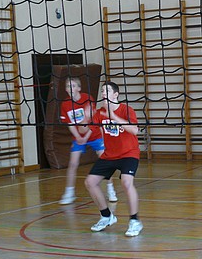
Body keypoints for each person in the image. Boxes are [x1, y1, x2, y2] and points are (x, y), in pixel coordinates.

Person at [85, 81, 143, 237]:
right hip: (109, 154)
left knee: (126, 182)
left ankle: (135, 221)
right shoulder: (99, 113)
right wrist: (86, 118)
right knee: (90, 182)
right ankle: (106, 216)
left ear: (116, 94)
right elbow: (88, 131)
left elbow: (134, 130)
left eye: (107, 90)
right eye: (102, 90)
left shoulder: (126, 110)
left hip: (129, 153)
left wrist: (114, 117)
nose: (104, 93)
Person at [59, 76, 117, 205]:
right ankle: (69, 193)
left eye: (73, 86)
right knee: (73, 164)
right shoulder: (65, 104)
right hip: (78, 137)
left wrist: (85, 137)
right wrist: (78, 137)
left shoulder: (87, 99)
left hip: (94, 134)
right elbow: (70, 124)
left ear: (79, 88)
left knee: (105, 161)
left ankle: (110, 189)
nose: (70, 88)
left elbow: (93, 121)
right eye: (68, 86)